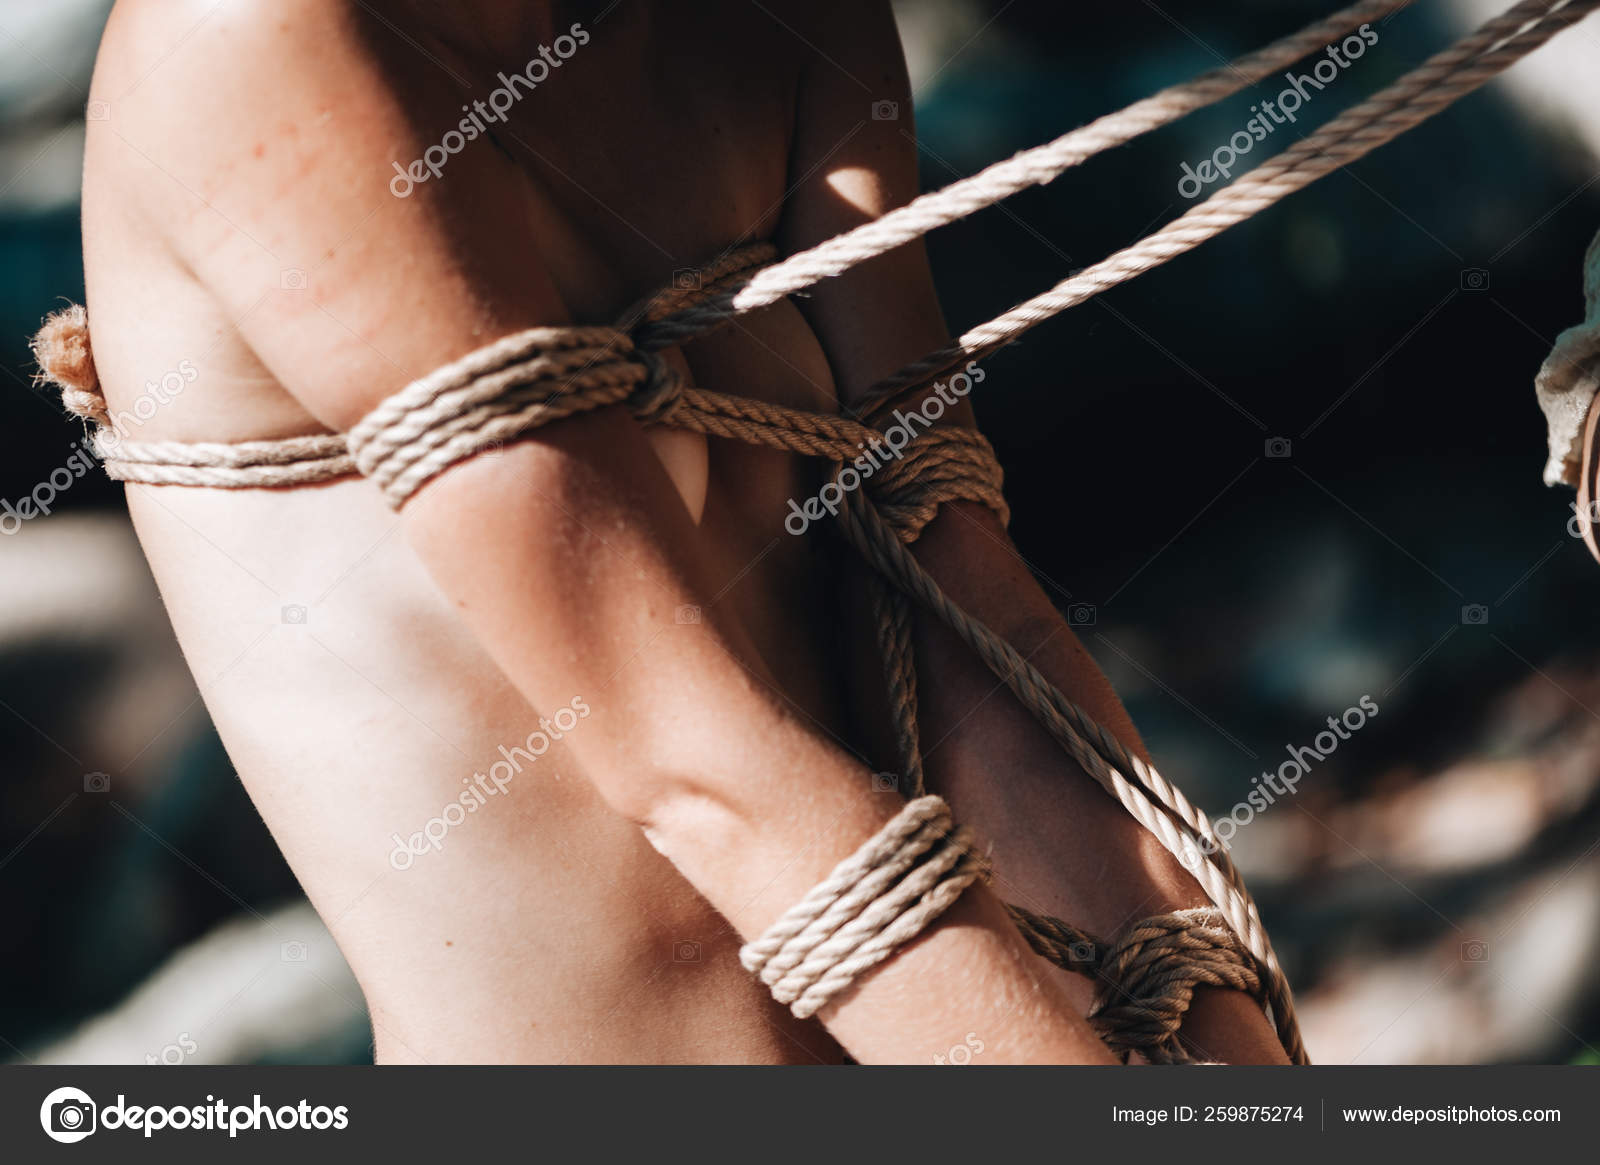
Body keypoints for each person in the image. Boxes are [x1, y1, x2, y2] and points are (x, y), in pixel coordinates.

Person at [68, 0, 1285, 1063]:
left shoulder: (766, 16)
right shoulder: (256, 36)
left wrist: (1191, 1018)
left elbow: (959, 590)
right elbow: (690, 760)